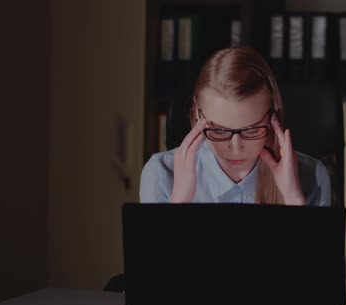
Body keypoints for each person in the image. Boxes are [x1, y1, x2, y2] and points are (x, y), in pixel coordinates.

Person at [139, 47, 331, 206]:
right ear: (198, 114)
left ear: (272, 117)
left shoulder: (312, 176)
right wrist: (180, 203)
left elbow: (310, 253)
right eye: (219, 130)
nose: (236, 147)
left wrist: (293, 199)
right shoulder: (160, 174)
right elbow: (161, 253)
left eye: (252, 130)